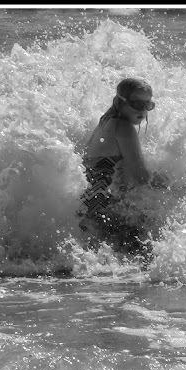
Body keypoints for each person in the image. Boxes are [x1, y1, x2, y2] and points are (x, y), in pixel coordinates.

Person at [78, 77, 158, 250]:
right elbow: (141, 176)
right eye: (137, 104)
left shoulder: (106, 122)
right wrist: (176, 183)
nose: (143, 110)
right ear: (120, 102)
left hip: (89, 206)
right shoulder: (123, 127)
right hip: (103, 210)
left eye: (148, 105)